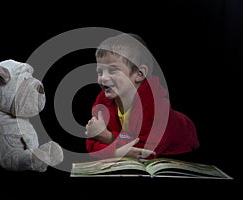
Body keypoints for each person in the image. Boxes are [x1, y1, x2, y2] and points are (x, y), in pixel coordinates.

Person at [85, 33, 199, 161]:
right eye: (100, 72)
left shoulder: (158, 106)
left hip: (177, 147)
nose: (103, 78)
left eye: (112, 71)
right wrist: (117, 153)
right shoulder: (102, 103)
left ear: (139, 74)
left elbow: (148, 150)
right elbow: (91, 145)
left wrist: (108, 137)